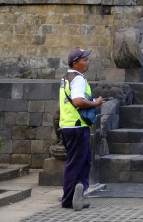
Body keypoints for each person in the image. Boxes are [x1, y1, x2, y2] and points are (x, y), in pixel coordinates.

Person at [59, 47, 104, 211]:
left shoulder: (67, 77)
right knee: (75, 163)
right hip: (77, 127)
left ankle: (79, 191)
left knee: (85, 161)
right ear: (75, 63)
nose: (87, 62)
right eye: (84, 60)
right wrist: (95, 104)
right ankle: (68, 199)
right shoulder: (77, 79)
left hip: (70, 126)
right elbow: (77, 101)